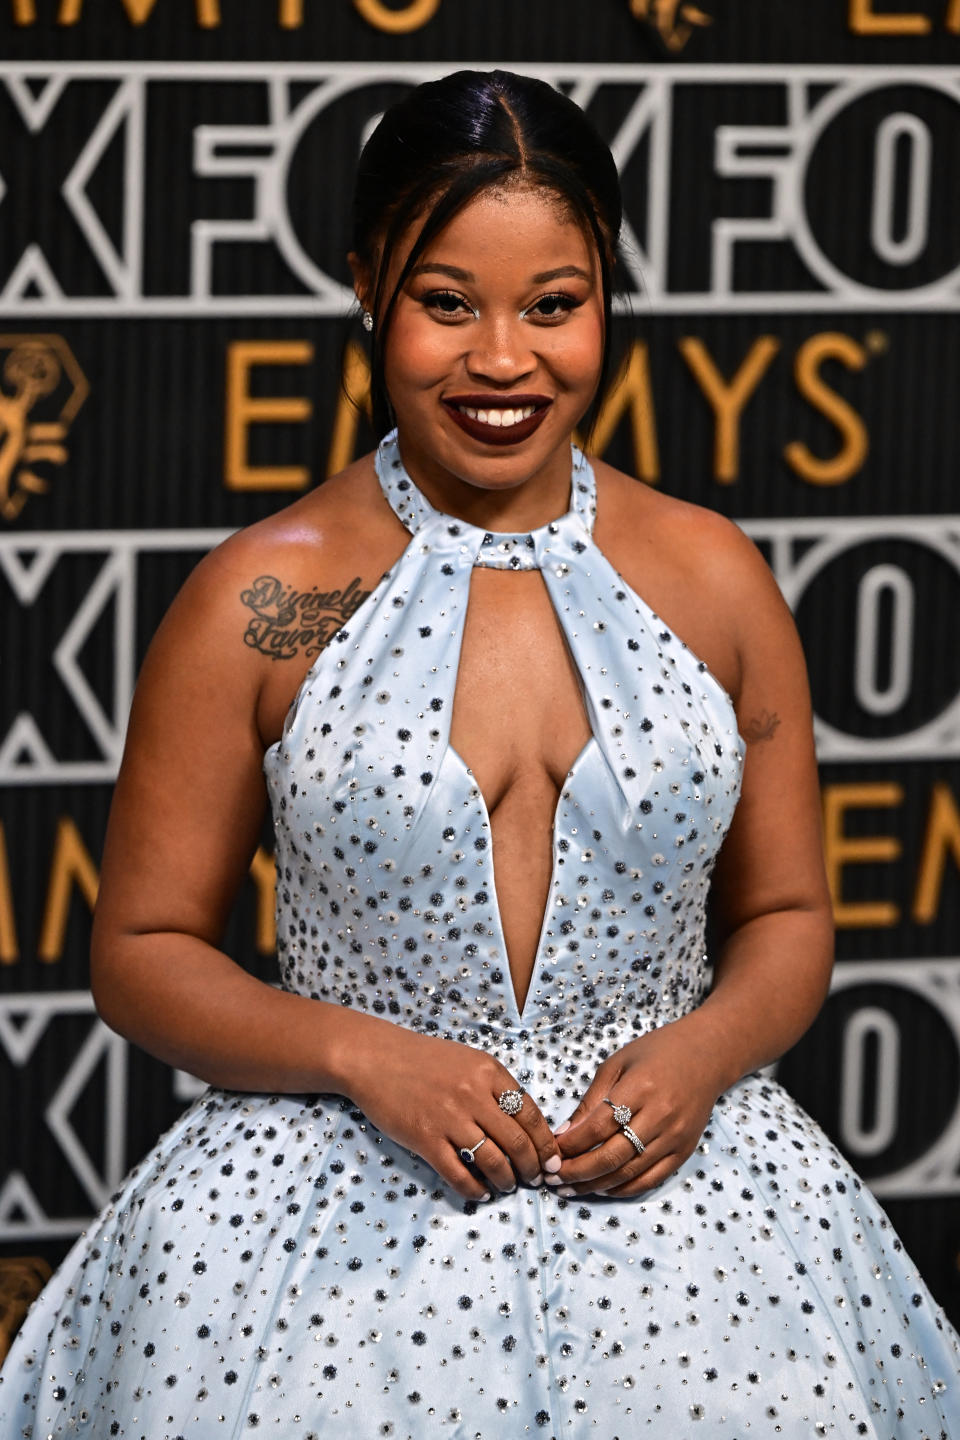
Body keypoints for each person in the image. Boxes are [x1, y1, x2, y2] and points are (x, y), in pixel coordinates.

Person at [1, 68, 957, 1438]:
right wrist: (361, 1056)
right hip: (318, 1245)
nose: (502, 361)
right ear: (367, 289)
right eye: (448, 303)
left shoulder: (717, 577)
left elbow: (793, 916)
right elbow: (140, 953)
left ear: (607, 296)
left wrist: (697, 1060)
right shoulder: (259, 598)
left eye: (553, 307)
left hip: (697, 1225)